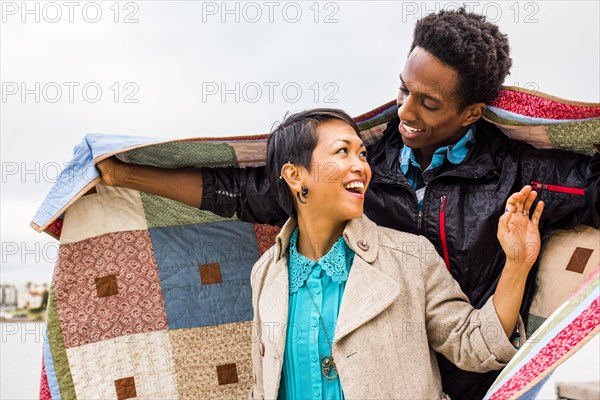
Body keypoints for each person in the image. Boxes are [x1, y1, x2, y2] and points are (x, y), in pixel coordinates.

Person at [97, 9, 599, 398]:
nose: (405, 112)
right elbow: (242, 189)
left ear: (471, 111)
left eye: (429, 102)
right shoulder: (363, 168)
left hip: (471, 379)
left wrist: (519, 262)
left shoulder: (518, 176)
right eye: (403, 90)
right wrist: (125, 174)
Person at [248, 108, 543, 399]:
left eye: (362, 154)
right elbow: (263, 385)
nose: (361, 167)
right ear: (295, 175)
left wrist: (517, 264)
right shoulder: (265, 274)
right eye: (342, 152)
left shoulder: (409, 257)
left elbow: (474, 345)